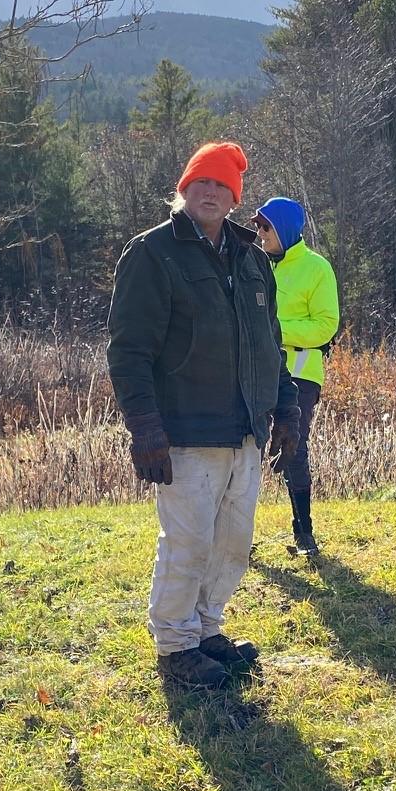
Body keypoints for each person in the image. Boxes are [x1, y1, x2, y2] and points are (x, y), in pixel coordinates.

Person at [108, 140, 302, 690]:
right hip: (185, 433)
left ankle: (205, 631)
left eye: (221, 184)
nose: (210, 191)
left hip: (246, 430)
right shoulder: (152, 254)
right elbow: (129, 351)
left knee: (232, 544)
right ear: (184, 188)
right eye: (201, 182)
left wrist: (285, 409)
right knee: (188, 542)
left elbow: (270, 343)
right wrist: (144, 426)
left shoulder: (252, 259)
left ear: (236, 197)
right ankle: (175, 647)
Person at [254, 195, 340, 554]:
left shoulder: (317, 268)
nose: (260, 234)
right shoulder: (255, 264)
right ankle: (237, 539)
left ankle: (304, 534)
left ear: (284, 228)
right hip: (256, 373)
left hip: (300, 376)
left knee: (294, 450)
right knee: (246, 450)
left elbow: (326, 326)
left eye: (266, 227)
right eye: (258, 227)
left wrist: (274, 329)